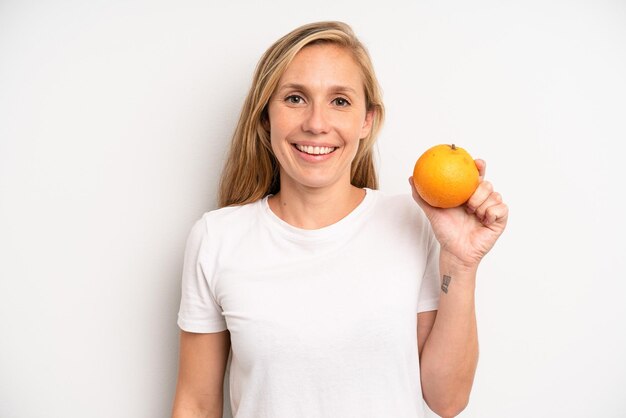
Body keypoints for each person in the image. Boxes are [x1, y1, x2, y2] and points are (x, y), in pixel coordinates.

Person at [171, 21, 508, 418]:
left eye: (340, 101)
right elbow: (196, 403)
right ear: (265, 118)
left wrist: (461, 263)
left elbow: (447, 399)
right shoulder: (217, 237)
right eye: (295, 98)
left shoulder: (411, 223)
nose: (316, 123)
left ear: (367, 120)